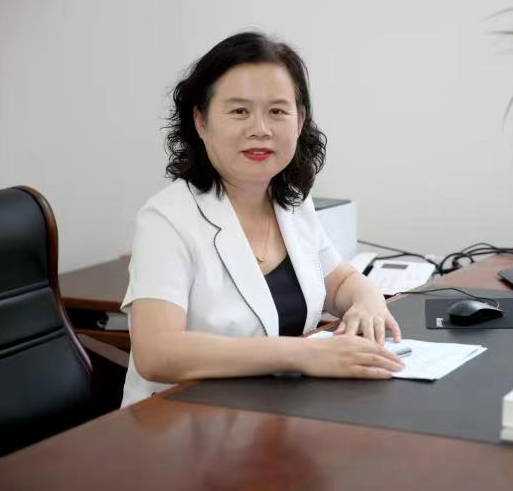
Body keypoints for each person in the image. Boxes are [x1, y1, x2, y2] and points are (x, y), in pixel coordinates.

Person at [120, 31, 404, 407]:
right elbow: (157, 353)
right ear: (201, 121)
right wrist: (303, 355)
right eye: (240, 111)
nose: (260, 129)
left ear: (299, 122)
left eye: (277, 111)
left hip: (276, 412)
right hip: (183, 420)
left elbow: (340, 284)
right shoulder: (167, 219)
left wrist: (369, 301)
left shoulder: (291, 202)